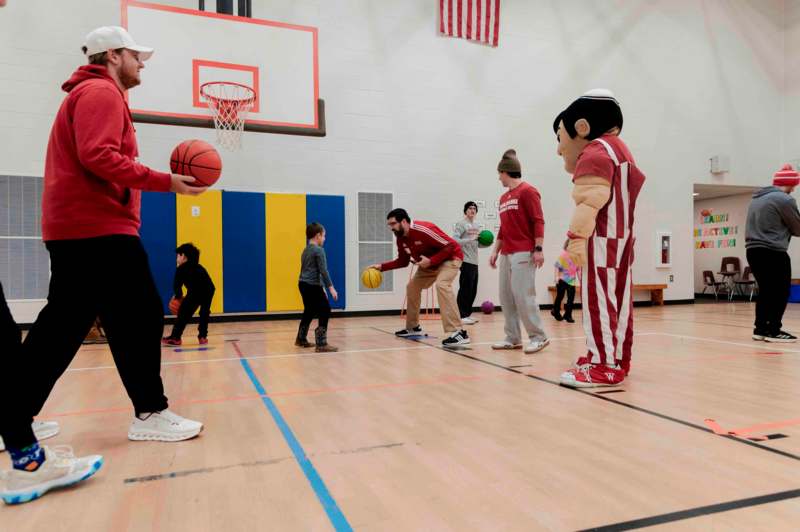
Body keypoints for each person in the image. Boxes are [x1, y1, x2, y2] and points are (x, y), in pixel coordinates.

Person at [0, 25, 205, 504]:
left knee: (63, 327)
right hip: (97, 228)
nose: (143, 63)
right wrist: (166, 181)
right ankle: (150, 414)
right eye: (137, 55)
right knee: (137, 316)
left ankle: (14, 414)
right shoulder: (100, 91)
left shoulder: (90, 92)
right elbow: (98, 156)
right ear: (113, 55)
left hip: (79, 228)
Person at [553, 89, 645, 387]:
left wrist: (574, 243)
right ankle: (618, 358)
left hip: (600, 239)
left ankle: (602, 364)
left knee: (598, 301)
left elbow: (590, 202)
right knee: (619, 304)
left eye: (559, 138)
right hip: (623, 240)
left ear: (581, 127)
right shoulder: (622, 150)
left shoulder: (594, 151)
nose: (559, 149)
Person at [370, 208, 468, 346]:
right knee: (412, 287)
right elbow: (403, 262)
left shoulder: (424, 229)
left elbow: (452, 245)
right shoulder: (400, 238)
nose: (391, 228)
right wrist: (382, 267)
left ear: (404, 221)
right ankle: (413, 327)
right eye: (389, 225)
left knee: (442, 284)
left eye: (393, 224)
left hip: (450, 258)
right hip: (429, 264)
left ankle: (459, 332)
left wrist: (431, 261)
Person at [488, 150, 550, 354]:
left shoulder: (528, 191)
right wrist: (495, 251)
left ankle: (538, 337)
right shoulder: (504, 197)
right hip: (507, 252)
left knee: (524, 295)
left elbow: (538, 221)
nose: (498, 178)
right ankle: (513, 337)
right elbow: (503, 228)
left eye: (499, 173)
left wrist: (538, 249)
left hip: (524, 251)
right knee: (506, 296)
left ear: (506, 172)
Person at [745, 164, 800, 343]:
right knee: (781, 291)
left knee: (767, 291)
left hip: (753, 251)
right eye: (794, 185)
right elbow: (798, 228)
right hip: (773, 252)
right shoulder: (784, 200)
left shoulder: (757, 199)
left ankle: (760, 329)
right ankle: (774, 330)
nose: (794, 189)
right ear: (788, 184)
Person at [295, 222, 339, 352]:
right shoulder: (319, 250)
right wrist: (331, 288)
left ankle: (301, 338)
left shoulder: (306, 250)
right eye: (324, 236)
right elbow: (323, 271)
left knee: (309, 310)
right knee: (325, 309)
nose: (325, 239)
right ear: (318, 236)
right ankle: (321, 344)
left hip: (302, 284)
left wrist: (322, 288)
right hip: (311, 285)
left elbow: (309, 269)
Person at [162, 243, 216, 346]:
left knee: (183, 314)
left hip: (195, 292)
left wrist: (178, 297)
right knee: (204, 313)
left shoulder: (180, 269)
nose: (177, 258)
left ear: (183, 256)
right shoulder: (200, 267)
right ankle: (202, 337)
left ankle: (176, 337)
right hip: (209, 290)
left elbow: (177, 286)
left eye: (178, 255)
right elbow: (208, 282)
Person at [453, 201, 481, 325]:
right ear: (465, 210)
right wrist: (470, 239)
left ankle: (467, 314)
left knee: (473, 289)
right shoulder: (461, 224)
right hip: (465, 260)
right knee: (465, 288)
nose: (472, 210)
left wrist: (486, 243)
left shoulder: (476, 225)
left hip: (475, 261)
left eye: (474, 208)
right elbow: (455, 241)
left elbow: (475, 243)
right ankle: (461, 314)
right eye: (470, 208)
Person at [552, 242, 577, 323]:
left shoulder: (576, 257)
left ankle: (568, 315)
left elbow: (578, 269)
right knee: (560, 296)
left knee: (571, 298)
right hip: (562, 279)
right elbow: (557, 266)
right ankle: (555, 311)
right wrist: (556, 277)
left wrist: (580, 279)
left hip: (572, 281)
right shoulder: (564, 255)